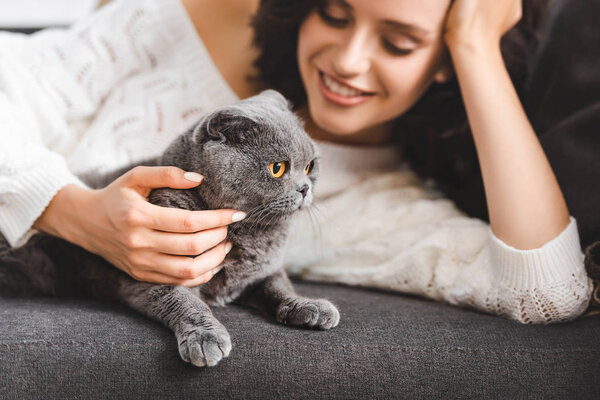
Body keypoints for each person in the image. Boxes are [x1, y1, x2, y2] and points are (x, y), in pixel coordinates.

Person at [0, 0, 594, 324]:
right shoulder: (204, 16)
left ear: (442, 64)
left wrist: (475, 46)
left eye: (399, 42)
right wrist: (69, 210)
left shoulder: (385, 202)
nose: (348, 61)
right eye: (335, 15)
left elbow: (549, 293)